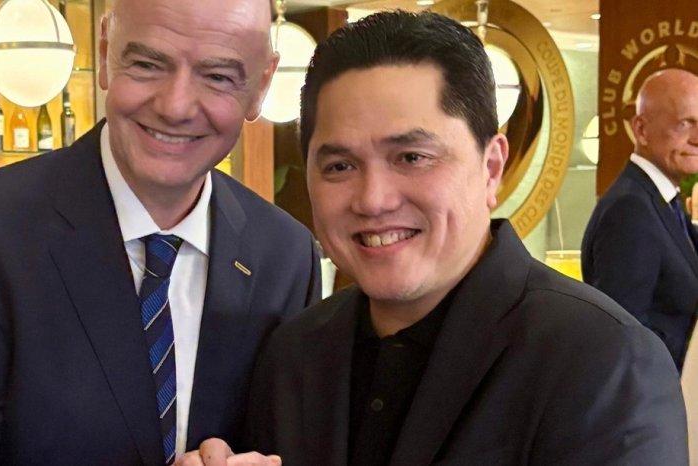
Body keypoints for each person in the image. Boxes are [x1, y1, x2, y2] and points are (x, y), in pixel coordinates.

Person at [179, 11, 687, 466]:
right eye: (340, 166)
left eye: (412, 157)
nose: (373, 200)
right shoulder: (292, 356)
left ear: (491, 167)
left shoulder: (603, 361)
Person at [0, 0, 321, 464]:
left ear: (261, 86)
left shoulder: (284, 256)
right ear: (106, 53)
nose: (175, 106)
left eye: (218, 77)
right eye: (147, 65)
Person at [582, 69, 698, 371]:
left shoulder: (664, 201)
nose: (697, 139)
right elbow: (623, 339)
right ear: (642, 130)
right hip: (657, 395)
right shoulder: (629, 211)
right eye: (685, 123)